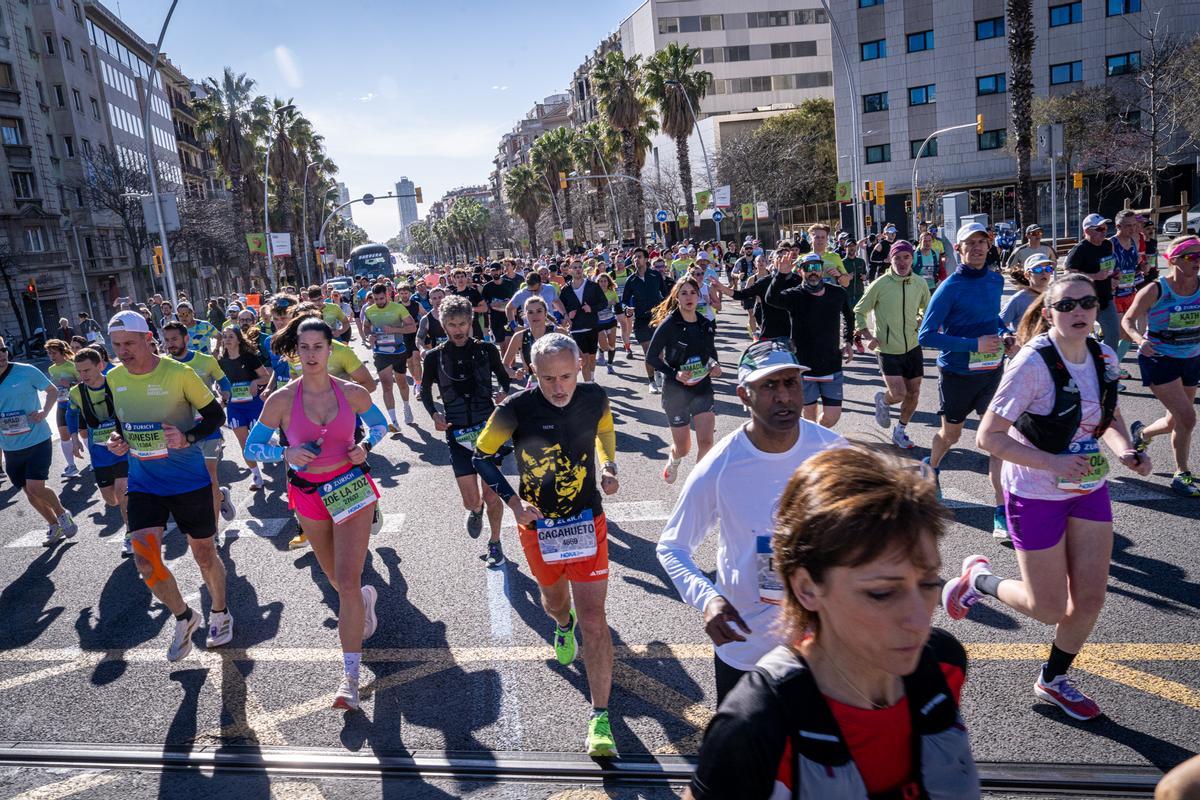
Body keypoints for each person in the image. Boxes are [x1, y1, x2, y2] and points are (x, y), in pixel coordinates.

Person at [687, 446, 978, 800]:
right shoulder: (757, 724)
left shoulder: (943, 664)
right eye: (881, 593)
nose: (919, 620)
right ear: (807, 588)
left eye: (929, 583)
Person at [944, 273, 1152, 720]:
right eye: (1066, 305)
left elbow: (1109, 416)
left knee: (1090, 599)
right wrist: (1053, 463)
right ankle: (978, 580)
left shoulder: (1104, 355)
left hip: (1087, 488)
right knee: (1048, 607)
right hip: (1034, 491)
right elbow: (988, 437)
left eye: (1087, 303)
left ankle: (1053, 679)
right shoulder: (1032, 363)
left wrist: (1125, 450)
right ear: (1049, 312)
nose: (1079, 311)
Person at [657, 340, 846, 704]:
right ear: (744, 394)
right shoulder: (720, 465)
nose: (784, 396)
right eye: (769, 385)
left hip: (820, 644)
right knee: (745, 743)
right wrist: (708, 599)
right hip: (745, 646)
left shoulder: (834, 453)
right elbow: (672, 546)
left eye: (791, 383)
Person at [471, 333, 620, 758]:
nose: (559, 387)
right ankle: (561, 623)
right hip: (539, 527)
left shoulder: (594, 397)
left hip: (587, 520)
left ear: (579, 368)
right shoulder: (515, 408)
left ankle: (600, 716)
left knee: (595, 619)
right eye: (548, 378)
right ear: (532, 372)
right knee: (555, 604)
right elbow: (481, 456)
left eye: (567, 376)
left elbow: (604, 430)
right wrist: (514, 504)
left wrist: (608, 465)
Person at [245, 315, 390, 710]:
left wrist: (365, 446)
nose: (311, 354)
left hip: (350, 488)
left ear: (330, 350)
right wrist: (285, 452)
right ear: (296, 351)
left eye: (318, 347)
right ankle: (364, 600)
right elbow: (251, 448)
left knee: (346, 580)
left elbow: (380, 426)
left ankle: (350, 678)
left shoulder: (351, 392)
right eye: (304, 347)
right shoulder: (281, 400)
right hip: (308, 495)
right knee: (336, 579)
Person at [104, 310, 231, 661]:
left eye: (129, 343)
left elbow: (216, 416)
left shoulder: (179, 373)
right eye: (116, 345)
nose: (123, 351)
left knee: (204, 554)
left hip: (188, 480)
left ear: (148, 339)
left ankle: (220, 612)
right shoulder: (114, 377)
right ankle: (184, 616)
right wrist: (118, 439)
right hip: (144, 483)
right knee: (145, 562)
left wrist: (187, 437)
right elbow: (122, 421)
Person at [918, 222, 1015, 537]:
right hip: (957, 375)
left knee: (997, 440)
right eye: (969, 243)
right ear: (958, 250)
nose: (976, 248)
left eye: (981, 242)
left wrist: (1004, 334)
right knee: (951, 436)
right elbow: (926, 336)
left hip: (992, 372)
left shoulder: (995, 280)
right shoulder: (950, 287)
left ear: (989, 246)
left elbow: (991, 318)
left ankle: (1001, 511)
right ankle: (931, 467)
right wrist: (974, 344)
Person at [419, 295, 513, 567]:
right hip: (457, 433)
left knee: (492, 493)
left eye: (462, 323)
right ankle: (476, 509)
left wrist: (503, 392)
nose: (458, 329)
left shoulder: (487, 350)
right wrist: (434, 414)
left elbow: (503, 377)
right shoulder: (435, 357)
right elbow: (425, 390)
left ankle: (495, 542)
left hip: (488, 430)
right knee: (471, 500)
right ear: (443, 324)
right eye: (452, 324)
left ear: (471, 321)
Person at [1121, 234, 1200, 497]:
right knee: (1187, 418)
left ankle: (1142, 434)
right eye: (1192, 256)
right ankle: (1181, 474)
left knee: (1173, 420)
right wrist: (1139, 340)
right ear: (1174, 259)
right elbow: (1128, 320)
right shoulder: (1155, 290)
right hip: (1159, 357)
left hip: (1191, 358)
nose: (1197, 261)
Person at [0, 336, 78, 545]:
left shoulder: (25, 371)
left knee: (35, 487)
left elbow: (52, 391)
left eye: (3, 349)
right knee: (30, 493)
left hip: (37, 439)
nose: (1, 354)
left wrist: (44, 411)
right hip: (9, 445)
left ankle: (62, 513)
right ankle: (54, 525)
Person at [854, 240, 931, 449]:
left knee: (914, 393)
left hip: (913, 346)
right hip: (887, 348)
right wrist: (868, 336)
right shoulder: (880, 284)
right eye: (897, 258)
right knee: (898, 394)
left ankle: (900, 431)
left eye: (906, 257)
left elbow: (927, 308)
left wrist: (920, 318)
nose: (902, 262)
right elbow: (859, 311)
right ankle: (883, 400)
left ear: (912, 259)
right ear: (890, 259)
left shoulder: (919, 283)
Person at [766, 253, 854, 429]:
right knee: (809, 416)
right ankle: (814, 440)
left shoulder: (837, 293)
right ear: (801, 271)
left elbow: (849, 316)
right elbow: (771, 299)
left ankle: (817, 433)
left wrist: (848, 341)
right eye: (808, 268)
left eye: (816, 267)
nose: (813, 272)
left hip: (831, 364)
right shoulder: (795, 295)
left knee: (832, 417)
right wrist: (781, 274)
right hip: (804, 366)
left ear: (822, 270)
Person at [162, 321, 237, 527]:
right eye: (167, 340)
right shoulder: (162, 366)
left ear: (186, 338)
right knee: (188, 479)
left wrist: (224, 399)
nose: (170, 343)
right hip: (179, 429)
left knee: (210, 476)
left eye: (174, 339)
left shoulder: (206, 360)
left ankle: (213, 532)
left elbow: (224, 382)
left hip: (207, 426)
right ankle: (220, 496)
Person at [647, 277, 720, 484]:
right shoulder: (669, 324)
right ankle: (674, 459)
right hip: (676, 392)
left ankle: (697, 485)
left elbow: (710, 352)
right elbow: (651, 357)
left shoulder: (705, 323)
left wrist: (715, 365)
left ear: (699, 296)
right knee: (683, 448)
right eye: (684, 293)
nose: (689, 297)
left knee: (706, 442)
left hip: (702, 388)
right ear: (676, 297)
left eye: (693, 292)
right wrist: (675, 374)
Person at [69, 346, 130, 553]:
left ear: (100, 366)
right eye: (79, 371)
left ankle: (130, 533)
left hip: (122, 449)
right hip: (100, 455)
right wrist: (74, 439)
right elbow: (71, 414)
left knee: (123, 492)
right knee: (111, 500)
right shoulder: (76, 392)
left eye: (87, 370)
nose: (83, 375)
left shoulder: (115, 383)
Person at [217, 325, 272, 491]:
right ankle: (256, 477)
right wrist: (221, 390)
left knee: (258, 440)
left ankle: (273, 441)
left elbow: (266, 377)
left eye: (231, 336)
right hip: (235, 408)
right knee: (245, 443)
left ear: (239, 340)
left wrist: (255, 382)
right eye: (225, 336)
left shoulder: (249, 358)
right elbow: (220, 383)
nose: (227, 339)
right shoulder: (221, 362)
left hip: (254, 405)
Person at [363, 282, 418, 428]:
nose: (379, 302)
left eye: (381, 298)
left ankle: (406, 406)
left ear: (387, 295)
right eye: (376, 299)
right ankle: (393, 421)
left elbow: (412, 327)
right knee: (386, 385)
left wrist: (394, 329)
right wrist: (369, 336)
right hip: (380, 352)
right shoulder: (369, 310)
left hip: (398, 350)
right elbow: (366, 327)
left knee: (401, 382)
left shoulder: (398, 308)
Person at [1065, 213, 1119, 350]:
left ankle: (1107, 361)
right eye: (1100, 229)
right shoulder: (1079, 250)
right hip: (1084, 302)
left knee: (1114, 334)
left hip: (1105, 299)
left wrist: (1114, 277)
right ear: (1087, 231)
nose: (1104, 232)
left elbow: (1109, 265)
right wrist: (1094, 276)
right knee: (1080, 338)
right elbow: (1068, 274)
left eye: (1105, 228)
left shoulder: (1107, 245)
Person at [621, 249, 671, 393]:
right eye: (634, 257)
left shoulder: (655, 275)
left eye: (639, 257)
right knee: (648, 352)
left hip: (657, 318)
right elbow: (624, 301)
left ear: (646, 259)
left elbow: (666, 295)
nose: (636, 259)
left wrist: (667, 309)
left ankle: (658, 371)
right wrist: (627, 309)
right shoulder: (631, 280)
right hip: (641, 320)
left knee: (659, 352)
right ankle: (651, 382)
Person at [559, 258, 609, 383]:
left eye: (580, 267)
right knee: (584, 358)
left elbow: (604, 303)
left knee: (592, 357)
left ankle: (591, 377)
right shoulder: (565, 290)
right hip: (576, 328)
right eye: (575, 268)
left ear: (583, 269)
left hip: (592, 326)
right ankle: (589, 384)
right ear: (570, 271)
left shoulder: (593, 286)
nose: (578, 270)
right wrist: (567, 315)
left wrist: (591, 308)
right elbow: (561, 308)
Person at [1111, 209, 1147, 374]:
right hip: (1114, 295)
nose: (1133, 229)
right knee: (1121, 333)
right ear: (1118, 226)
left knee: (1127, 335)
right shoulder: (1110, 244)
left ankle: (1112, 367)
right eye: (1128, 226)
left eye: (1134, 225)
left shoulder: (1134, 242)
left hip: (1130, 293)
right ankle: (1108, 366)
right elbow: (1101, 267)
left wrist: (1142, 268)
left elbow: (1133, 267)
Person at [45, 339, 82, 478]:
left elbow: (83, 382)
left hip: (76, 404)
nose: (51, 356)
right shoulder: (51, 369)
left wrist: (70, 384)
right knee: (63, 434)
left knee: (84, 433)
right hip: (61, 404)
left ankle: (94, 461)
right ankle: (71, 466)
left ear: (62, 352)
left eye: (54, 353)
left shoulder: (72, 366)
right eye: (49, 353)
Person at [1002, 253, 1055, 333]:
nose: (1044, 273)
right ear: (1027, 275)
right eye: (1038, 269)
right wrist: (1007, 335)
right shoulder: (1018, 299)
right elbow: (999, 325)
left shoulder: (1056, 296)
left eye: (1048, 269)